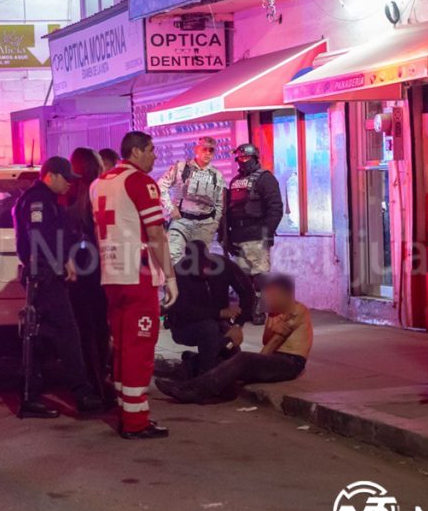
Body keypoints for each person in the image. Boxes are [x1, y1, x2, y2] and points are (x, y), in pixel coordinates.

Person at [90, 131, 178, 439]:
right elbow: (155, 235)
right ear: (136, 151)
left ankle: (126, 410)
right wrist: (170, 277)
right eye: (151, 150)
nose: (155, 156)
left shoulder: (99, 183)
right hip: (137, 275)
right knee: (139, 348)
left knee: (122, 346)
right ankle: (135, 421)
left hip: (110, 274)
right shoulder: (141, 182)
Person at [13, 156, 105, 418]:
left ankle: (31, 396)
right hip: (45, 276)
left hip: (46, 274)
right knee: (67, 333)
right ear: (50, 175)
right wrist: (63, 262)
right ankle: (81, 393)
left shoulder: (49, 200)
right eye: (66, 179)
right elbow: (40, 239)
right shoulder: (38, 200)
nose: (69, 184)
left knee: (40, 339)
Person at [156, 274, 311, 403]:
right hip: (275, 358)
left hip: (291, 363)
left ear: (286, 295)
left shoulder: (297, 311)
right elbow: (267, 340)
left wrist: (254, 362)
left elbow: (274, 342)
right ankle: (184, 380)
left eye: (273, 295)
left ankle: (198, 391)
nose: (268, 298)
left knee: (244, 359)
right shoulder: (275, 312)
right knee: (224, 354)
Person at [165, 239, 255, 377]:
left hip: (219, 324)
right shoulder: (179, 273)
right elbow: (183, 311)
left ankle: (193, 362)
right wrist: (219, 313)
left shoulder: (222, 265)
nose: (203, 272)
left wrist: (238, 325)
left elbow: (247, 292)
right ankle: (206, 377)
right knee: (209, 328)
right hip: (185, 327)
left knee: (230, 355)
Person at [65, 147, 111, 401]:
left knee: (84, 329)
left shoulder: (68, 195)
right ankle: (100, 381)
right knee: (99, 327)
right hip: (99, 267)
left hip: (77, 270)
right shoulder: (99, 192)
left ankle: (91, 383)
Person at [224, 143, 283, 323]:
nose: (243, 161)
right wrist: (227, 237)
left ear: (255, 158)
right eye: (240, 158)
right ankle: (248, 307)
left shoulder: (266, 179)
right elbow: (229, 211)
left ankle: (259, 308)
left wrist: (266, 232)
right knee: (243, 277)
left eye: (246, 158)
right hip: (238, 236)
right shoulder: (235, 181)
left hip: (257, 235)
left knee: (259, 274)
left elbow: (275, 208)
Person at [156, 136, 225, 264]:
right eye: (204, 149)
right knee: (171, 256)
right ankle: (174, 278)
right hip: (182, 221)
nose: (208, 153)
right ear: (196, 149)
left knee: (200, 263)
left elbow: (219, 203)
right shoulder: (181, 168)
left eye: (211, 150)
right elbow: (160, 187)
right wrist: (170, 208)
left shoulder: (217, 175)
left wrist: (214, 224)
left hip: (205, 225)